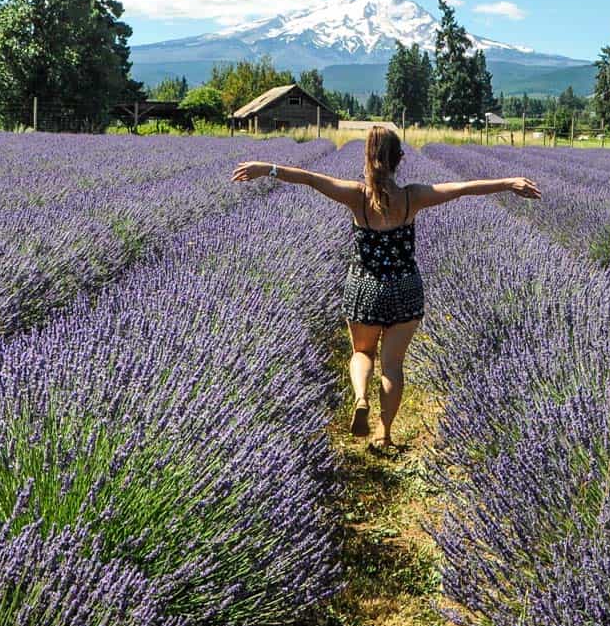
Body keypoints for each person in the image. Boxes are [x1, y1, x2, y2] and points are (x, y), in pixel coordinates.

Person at [231, 126, 541, 454]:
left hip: (365, 287)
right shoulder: (413, 197)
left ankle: (361, 397)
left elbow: (310, 178)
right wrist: (508, 183)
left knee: (362, 353)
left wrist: (269, 169)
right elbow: (462, 188)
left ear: (367, 158)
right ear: (400, 160)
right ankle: (385, 432)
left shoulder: (356, 196)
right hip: (405, 288)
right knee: (392, 365)